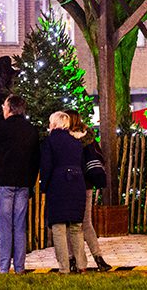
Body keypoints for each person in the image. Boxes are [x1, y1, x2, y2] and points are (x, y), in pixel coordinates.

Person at [0, 95, 40, 274]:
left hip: (4, 182)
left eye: (4, 106)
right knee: (19, 227)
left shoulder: (3, 127)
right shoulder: (30, 130)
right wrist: (30, 183)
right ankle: (19, 267)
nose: (2, 108)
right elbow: (36, 160)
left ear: (9, 108)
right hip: (23, 183)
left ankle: (4, 268)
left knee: (5, 227)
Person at [64, 110, 112, 272]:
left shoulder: (66, 139)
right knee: (86, 223)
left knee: (69, 224)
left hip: (70, 185)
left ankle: (72, 259)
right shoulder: (89, 139)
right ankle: (99, 258)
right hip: (87, 185)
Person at [40, 111, 87, 273]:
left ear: (54, 124)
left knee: (58, 227)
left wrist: (43, 187)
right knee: (76, 226)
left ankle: (64, 267)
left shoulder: (49, 141)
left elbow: (46, 166)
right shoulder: (76, 142)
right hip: (77, 183)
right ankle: (81, 265)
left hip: (58, 184)